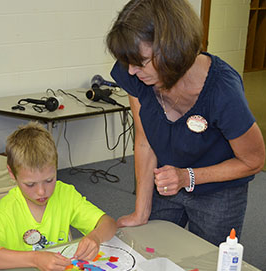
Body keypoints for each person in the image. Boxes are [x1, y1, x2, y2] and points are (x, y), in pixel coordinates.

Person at [106, 0, 265, 246]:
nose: (130, 72)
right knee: (154, 254)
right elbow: (145, 141)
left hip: (218, 190)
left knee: (209, 267)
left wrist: (187, 177)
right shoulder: (136, 72)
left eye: (140, 62)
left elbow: (253, 161)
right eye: (128, 62)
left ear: (171, 50)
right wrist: (141, 211)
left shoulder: (223, 91)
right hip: (167, 179)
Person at [0, 122, 117, 271]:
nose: (42, 191)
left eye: (49, 180)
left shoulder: (65, 194)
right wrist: (35, 259)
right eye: (30, 184)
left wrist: (95, 237)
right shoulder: (7, 209)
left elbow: (108, 223)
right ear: (11, 173)